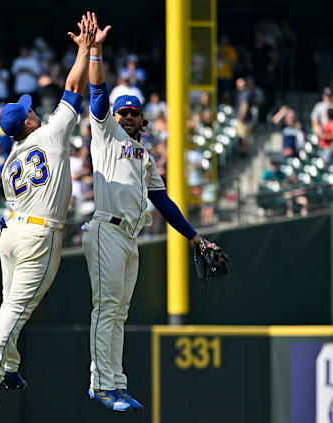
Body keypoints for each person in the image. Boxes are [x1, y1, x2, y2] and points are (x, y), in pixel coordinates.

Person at [82, 13, 210, 412]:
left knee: (118, 313)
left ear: (143, 117)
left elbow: (164, 202)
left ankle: (115, 383)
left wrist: (194, 235)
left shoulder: (144, 155)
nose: (128, 117)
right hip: (106, 230)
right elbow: (98, 95)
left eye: (133, 112)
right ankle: (100, 384)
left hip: (129, 238)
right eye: (123, 112)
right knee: (107, 310)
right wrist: (97, 52)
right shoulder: (106, 133)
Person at [0, 14, 94, 410]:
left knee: (12, 300)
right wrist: (84, 50)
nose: (34, 111)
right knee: (18, 306)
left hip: (11, 234)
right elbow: (73, 88)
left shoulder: (10, 160)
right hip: (38, 236)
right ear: (27, 121)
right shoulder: (50, 134)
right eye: (29, 111)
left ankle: (7, 364)